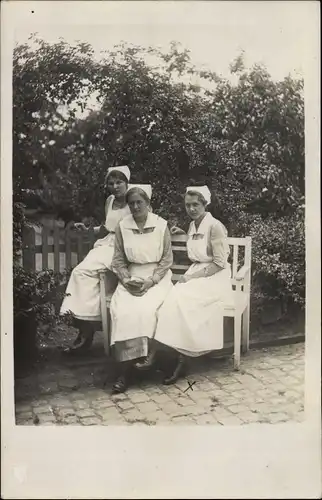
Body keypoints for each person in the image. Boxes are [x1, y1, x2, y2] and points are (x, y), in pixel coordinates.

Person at [137, 185, 233, 384]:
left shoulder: (215, 226)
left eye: (195, 205)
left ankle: (181, 360)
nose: (191, 209)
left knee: (182, 300)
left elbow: (219, 263)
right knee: (171, 300)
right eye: (188, 205)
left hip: (215, 277)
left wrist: (193, 277)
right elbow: (196, 247)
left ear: (205, 205)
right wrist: (183, 232)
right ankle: (165, 355)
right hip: (197, 274)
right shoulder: (192, 226)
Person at [60, 165, 131, 354]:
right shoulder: (109, 201)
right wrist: (88, 230)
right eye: (111, 183)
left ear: (127, 182)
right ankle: (86, 327)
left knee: (83, 274)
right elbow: (107, 228)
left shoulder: (134, 200)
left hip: (124, 247)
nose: (115, 186)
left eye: (119, 182)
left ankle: (88, 328)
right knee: (81, 274)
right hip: (106, 243)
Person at [109, 185, 173, 394]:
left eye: (139, 202)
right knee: (123, 310)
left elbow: (166, 259)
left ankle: (148, 357)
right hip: (132, 276)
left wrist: (151, 281)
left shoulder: (161, 225)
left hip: (157, 277)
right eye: (132, 203)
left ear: (148, 204)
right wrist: (126, 280)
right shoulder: (122, 226)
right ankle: (125, 371)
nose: (135, 207)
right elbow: (118, 260)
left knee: (148, 308)